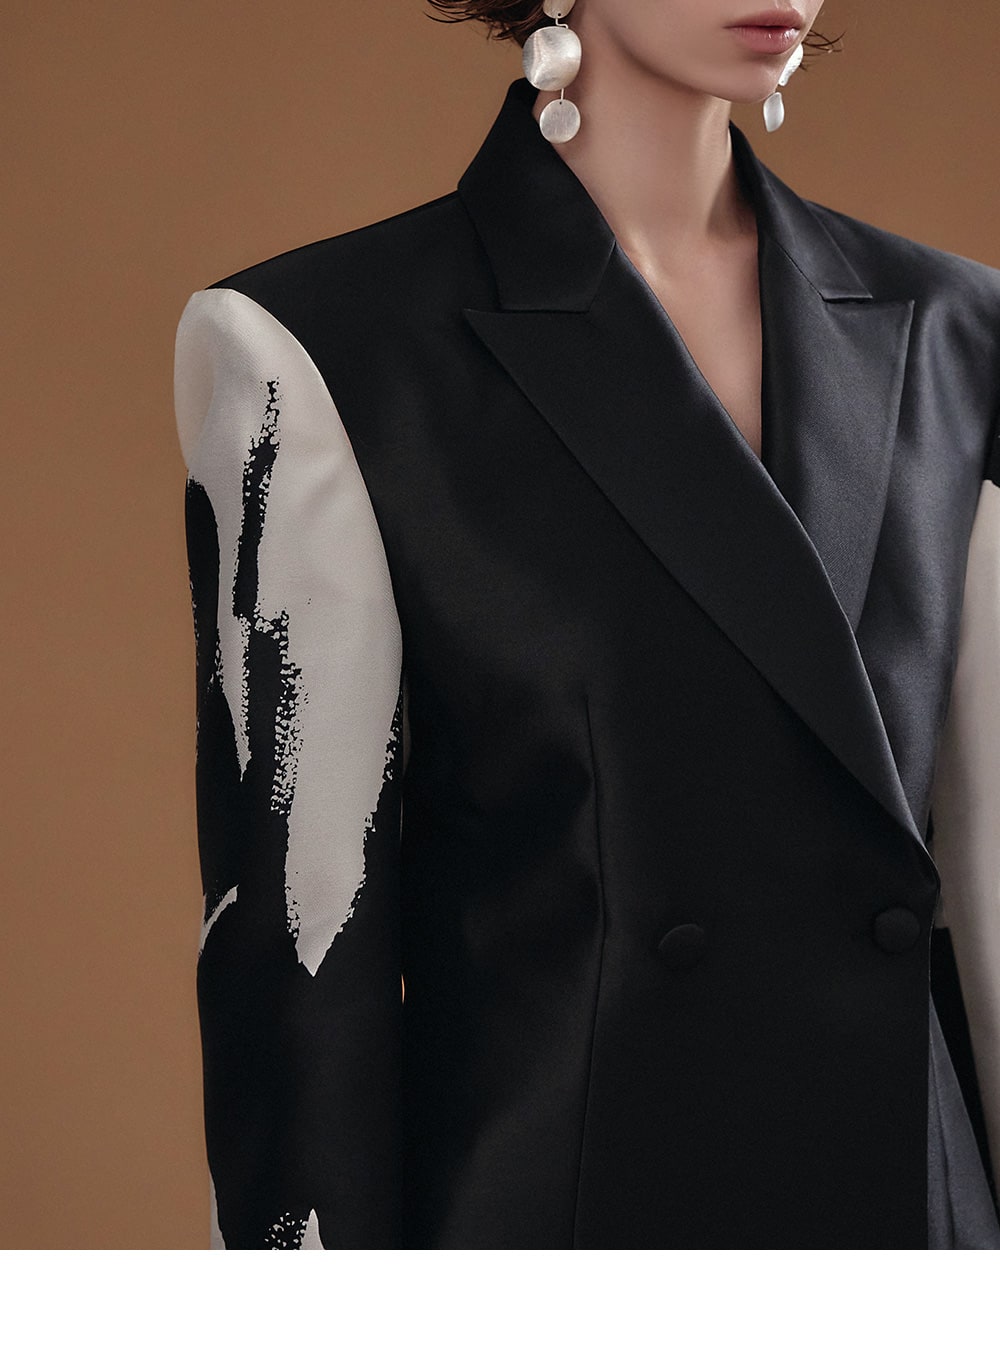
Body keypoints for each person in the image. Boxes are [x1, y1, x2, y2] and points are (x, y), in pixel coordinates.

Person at [174, 0, 1000, 1248]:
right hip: (567, 1219)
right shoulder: (329, 344)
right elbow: (302, 963)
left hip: (914, 1226)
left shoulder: (958, 331)